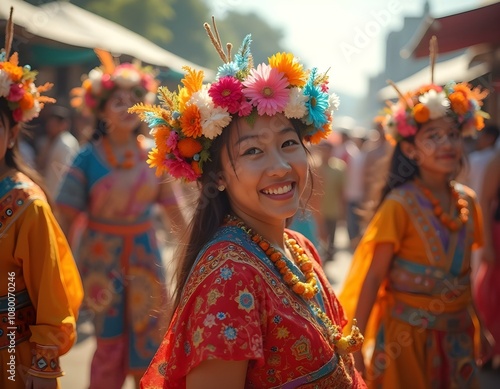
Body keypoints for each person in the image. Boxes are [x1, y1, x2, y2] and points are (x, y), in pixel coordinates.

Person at [130, 21, 367, 388]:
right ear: (219, 176)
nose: (281, 167)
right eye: (253, 151)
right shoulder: (227, 279)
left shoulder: (298, 248)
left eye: (289, 143)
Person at [339, 40, 491, 388]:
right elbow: (374, 278)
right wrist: (356, 343)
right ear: (410, 149)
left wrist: (480, 324)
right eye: (433, 137)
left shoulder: (468, 201)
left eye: (452, 135)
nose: (446, 144)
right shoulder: (399, 205)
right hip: (403, 340)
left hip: (457, 337)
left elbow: (464, 275)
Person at [56, 50, 187, 388]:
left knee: (151, 336)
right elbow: (65, 217)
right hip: (101, 258)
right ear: (100, 110)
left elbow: (174, 210)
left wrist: (195, 251)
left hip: (146, 254)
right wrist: (60, 271)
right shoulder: (86, 158)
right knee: (110, 338)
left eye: (133, 100)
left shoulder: (153, 155)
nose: (127, 107)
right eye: (117, 102)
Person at [0, 7, 83, 388]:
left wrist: (44, 363)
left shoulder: (25, 204)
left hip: (13, 356)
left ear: (12, 133)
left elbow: (52, 288)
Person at [474, 149, 500, 371]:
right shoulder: (497, 160)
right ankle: (488, 351)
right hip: (498, 236)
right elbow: (484, 200)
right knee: (494, 296)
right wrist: (488, 244)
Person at [36, 105, 80, 199]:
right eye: (49, 124)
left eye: (53, 124)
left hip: (60, 195)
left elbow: (66, 174)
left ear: (64, 125)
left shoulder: (66, 144)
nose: (50, 127)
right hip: (49, 192)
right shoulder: (48, 141)